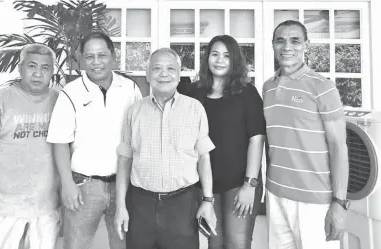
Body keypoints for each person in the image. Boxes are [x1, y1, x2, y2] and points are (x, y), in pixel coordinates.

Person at [46, 31, 142, 249]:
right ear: (81, 59)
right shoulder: (70, 92)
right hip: (83, 186)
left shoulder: (130, 89)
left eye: (102, 55)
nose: (96, 62)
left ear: (113, 56)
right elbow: (59, 142)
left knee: (124, 244)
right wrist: (68, 184)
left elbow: (139, 134)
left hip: (123, 185)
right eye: (90, 57)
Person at [114, 47, 217, 249]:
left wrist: (207, 200)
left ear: (179, 75)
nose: (164, 73)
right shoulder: (134, 111)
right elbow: (125, 159)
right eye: (157, 68)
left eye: (171, 68)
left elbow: (204, 158)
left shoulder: (195, 108)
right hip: (140, 204)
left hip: (183, 204)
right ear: (148, 75)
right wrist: (121, 206)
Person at [0, 43, 60, 249]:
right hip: (3, 205)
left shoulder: (59, 101)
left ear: (52, 72)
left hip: (46, 205)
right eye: (32, 66)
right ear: (20, 68)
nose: (38, 74)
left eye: (45, 68)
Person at [263, 20, 349, 249]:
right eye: (280, 40)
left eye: (295, 41)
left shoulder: (323, 87)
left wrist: (339, 203)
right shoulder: (268, 87)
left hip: (315, 200)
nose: (287, 47)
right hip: (275, 193)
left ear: (306, 45)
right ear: (272, 45)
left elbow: (338, 146)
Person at [187, 35, 266, 249]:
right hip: (206, 184)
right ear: (207, 58)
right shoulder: (193, 92)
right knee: (215, 242)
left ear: (235, 61)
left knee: (237, 244)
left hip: (239, 184)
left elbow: (257, 139)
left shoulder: (247, 92)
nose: (220, 60)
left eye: (226, 55)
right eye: (215, 54)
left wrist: (250, 185)